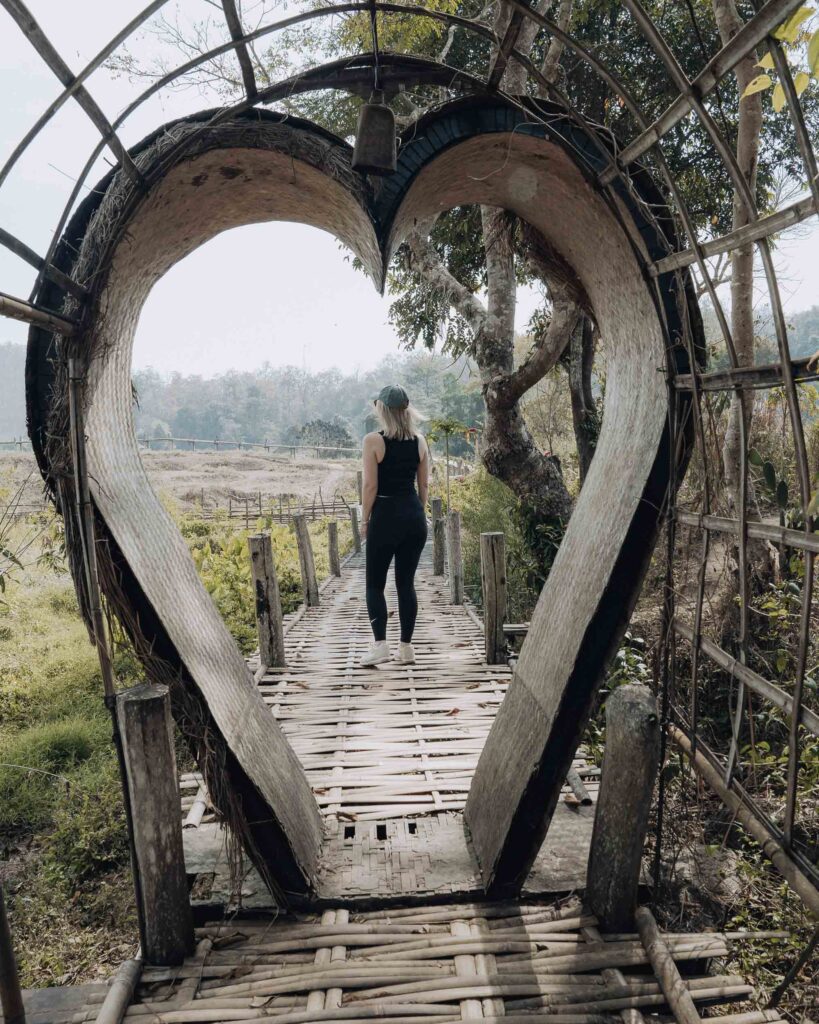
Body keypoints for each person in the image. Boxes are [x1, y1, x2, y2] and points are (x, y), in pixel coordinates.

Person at [359, 384, 430, 666]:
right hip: (413, 516)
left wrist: (365, 520)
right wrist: (417, 512)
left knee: (375, 584)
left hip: (385, 516)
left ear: (383, 410)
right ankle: (406, 649)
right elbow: (423, 484)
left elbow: (370, 485)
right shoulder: (420, 441)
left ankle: (379, 646)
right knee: (406, 584)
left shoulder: (372, 441)